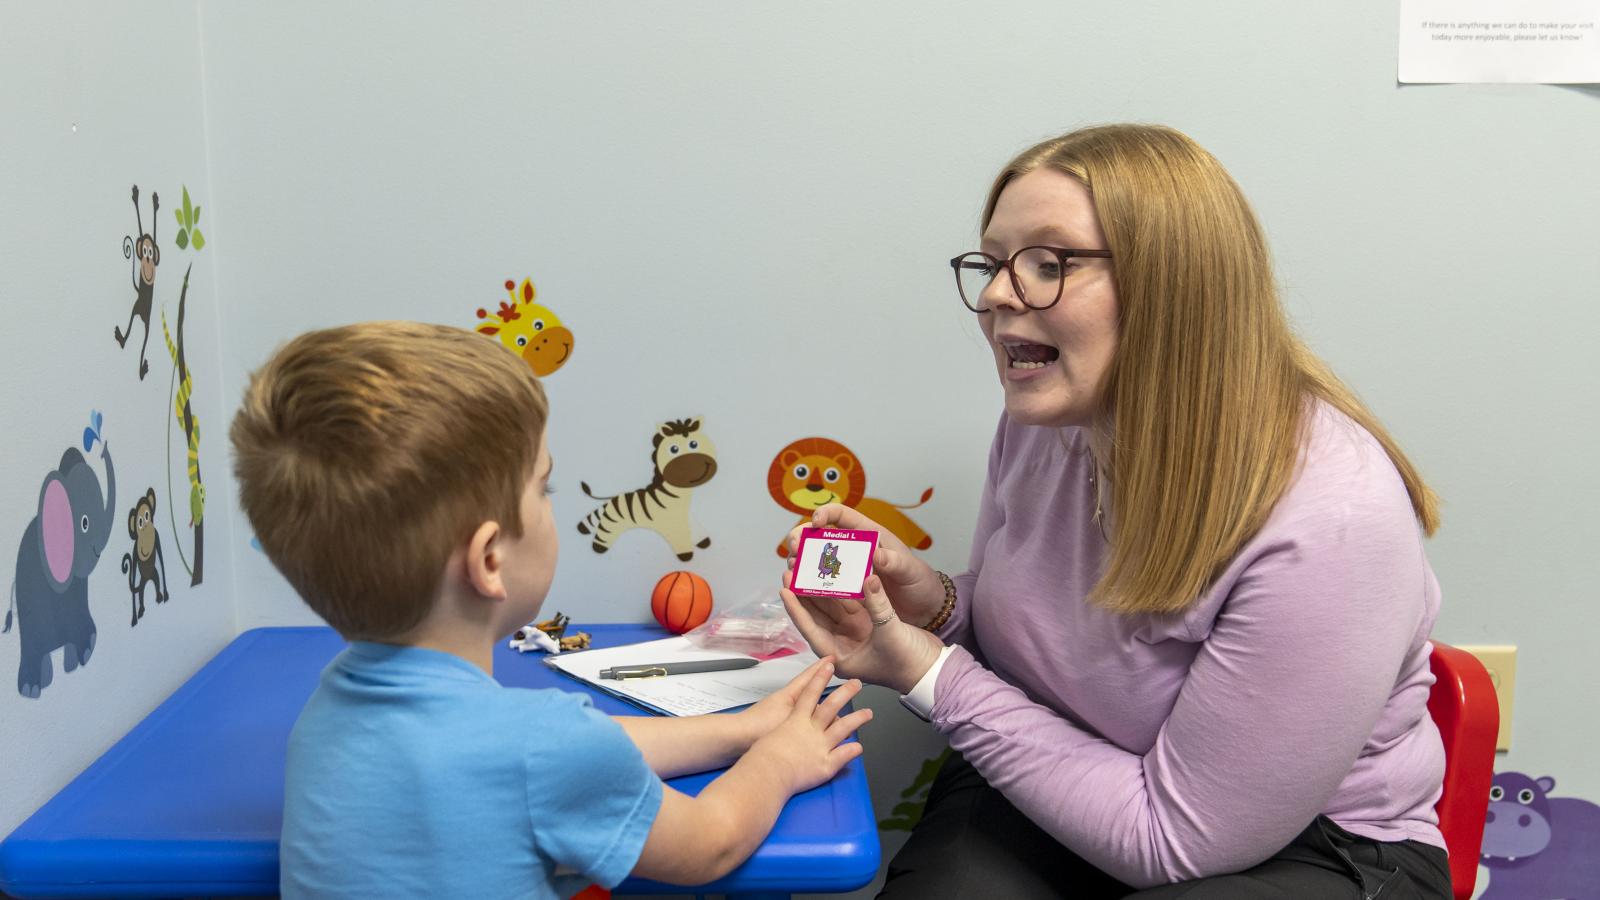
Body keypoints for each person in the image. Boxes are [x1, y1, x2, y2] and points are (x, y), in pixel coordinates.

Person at [781, 125, 1453, 899]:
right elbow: (1030, 649)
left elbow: (1174, 841)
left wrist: (924, 671)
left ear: (1173, 285)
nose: (999, 294)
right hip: (1070, 762)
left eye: (1046, 263)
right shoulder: (1046, 423)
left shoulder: (1334, 517)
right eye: (994, 263)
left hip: (1309, 849)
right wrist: (932, 607)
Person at [230, 322, 870, 899]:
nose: (550, 503)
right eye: (545, 487)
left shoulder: (327, 714)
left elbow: (568, 756)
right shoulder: (545, 745)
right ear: (489, 560)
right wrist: (780, 760)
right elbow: (711, 841)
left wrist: (737, 730)